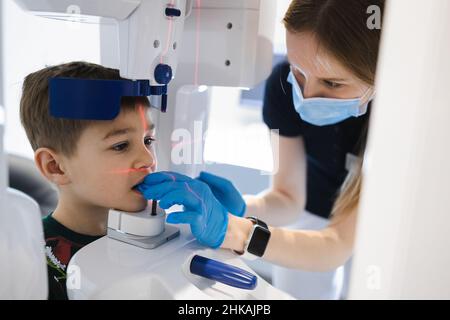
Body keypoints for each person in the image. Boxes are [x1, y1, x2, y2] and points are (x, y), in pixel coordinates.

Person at [137, 0, 383, 299]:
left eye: (332, 83)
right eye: (299, 71)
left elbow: (335, 246)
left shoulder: (397, 118)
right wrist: (242, 208)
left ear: (379, 71)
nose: (306, 95)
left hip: (379, 219)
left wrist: (236, 230)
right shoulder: (283, 86)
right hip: (312, 206)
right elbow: (288, 198)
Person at [20, 61, 156, 299]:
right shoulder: (27, 260)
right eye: (121, 145)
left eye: (148, 141)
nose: (148, 159)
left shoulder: (156, 230)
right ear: (56, 167)